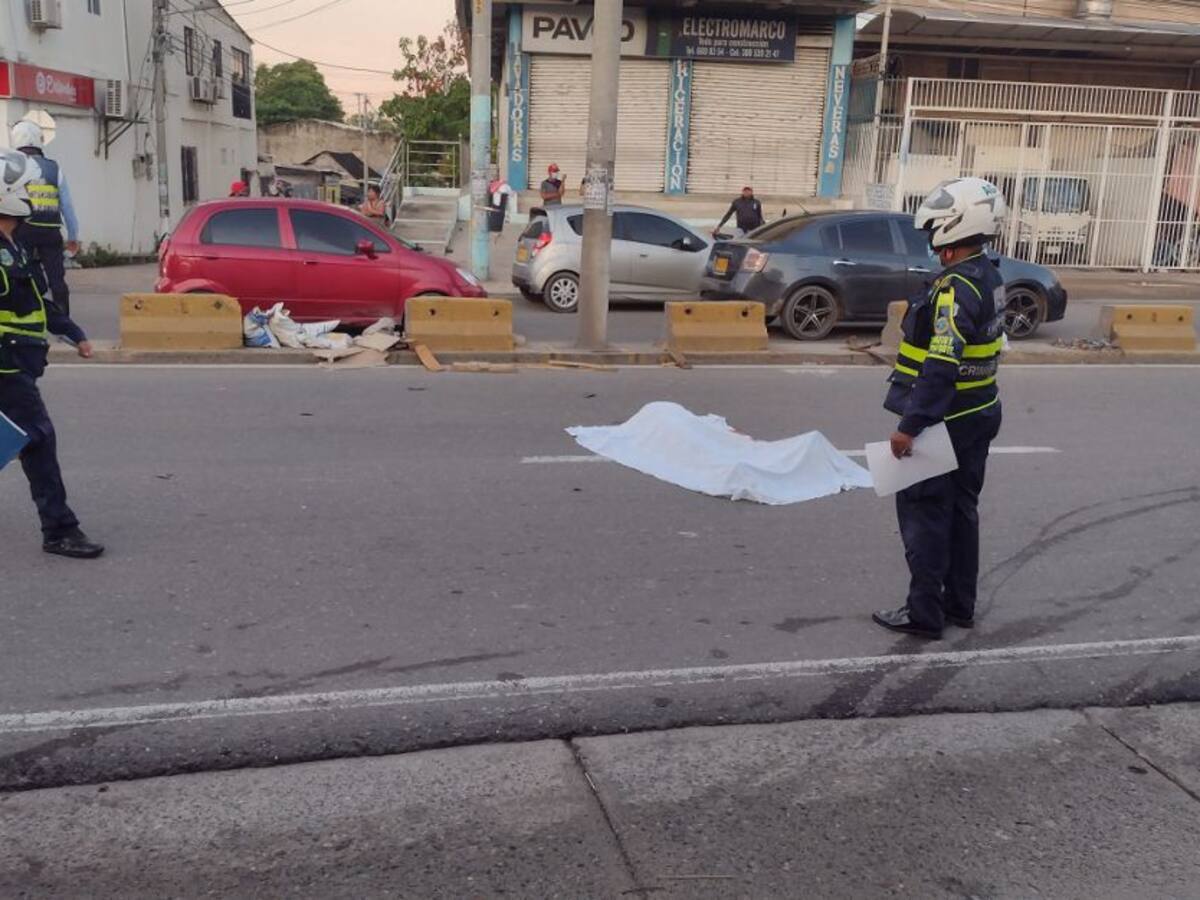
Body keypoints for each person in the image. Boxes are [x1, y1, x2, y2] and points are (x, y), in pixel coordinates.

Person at [872, 177, 1008, 640]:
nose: (932, 240)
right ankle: (959, 606)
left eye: (935, 231)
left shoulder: (952, 289)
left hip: (943, 420)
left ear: (954, 228)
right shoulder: (990, 275)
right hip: (981, 410)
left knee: (925, 514)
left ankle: (924, 614)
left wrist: (910, 427)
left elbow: (940, 365)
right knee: (961, 512)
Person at [0, 147, 103, 559]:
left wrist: (73, 333)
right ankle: (59, 529)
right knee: (38, 438)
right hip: (5, 365)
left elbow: (38, 303)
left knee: (19, 440)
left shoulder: (16, 245)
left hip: (20, 362)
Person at [10, 121, 79, 317]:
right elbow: (67, 206)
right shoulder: (54, 169)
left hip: (23, 230)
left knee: (22, 272)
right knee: (57, 278)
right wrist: (73, 236)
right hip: (51, 231)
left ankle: (29, 313)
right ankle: (63, 320)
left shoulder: (14, 166)